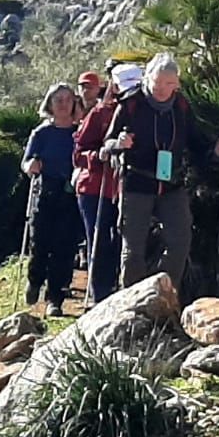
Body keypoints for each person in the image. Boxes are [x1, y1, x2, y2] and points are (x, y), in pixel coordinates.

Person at [102, 54, 219, 291]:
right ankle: (130, 302)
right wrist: (119, 143)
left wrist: (215, 148)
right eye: (157, 81)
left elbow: (195, 141)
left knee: (180, 243)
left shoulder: (181, 106)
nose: (162, 88)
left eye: (169, 83)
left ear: (177, 84)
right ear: (147, 78)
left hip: (172, 183)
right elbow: (107, 143)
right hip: (137, 183)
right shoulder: (131, 104)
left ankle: (163, 294)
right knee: (133, 250)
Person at [74, 63, 140, 305]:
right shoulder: (100, 113)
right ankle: (99, 295)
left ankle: (116, 289)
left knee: (121, 239)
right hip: (96, 187)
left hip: (127, 187)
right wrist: (98, 155)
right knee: (100, 238)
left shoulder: (144, 112)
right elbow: (78, 153)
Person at [23, 84, 86, 316]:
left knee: (65, 247)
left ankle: (55, 299)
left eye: (68, 100)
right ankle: (35, 280)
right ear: (49, 103)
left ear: (74, 103)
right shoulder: (41, 134)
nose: (63, 104)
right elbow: (26, 163)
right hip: (45, 193)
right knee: (39, 243)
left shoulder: (80, 133)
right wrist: (31, 165)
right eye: (58, 100)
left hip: (70, 195)